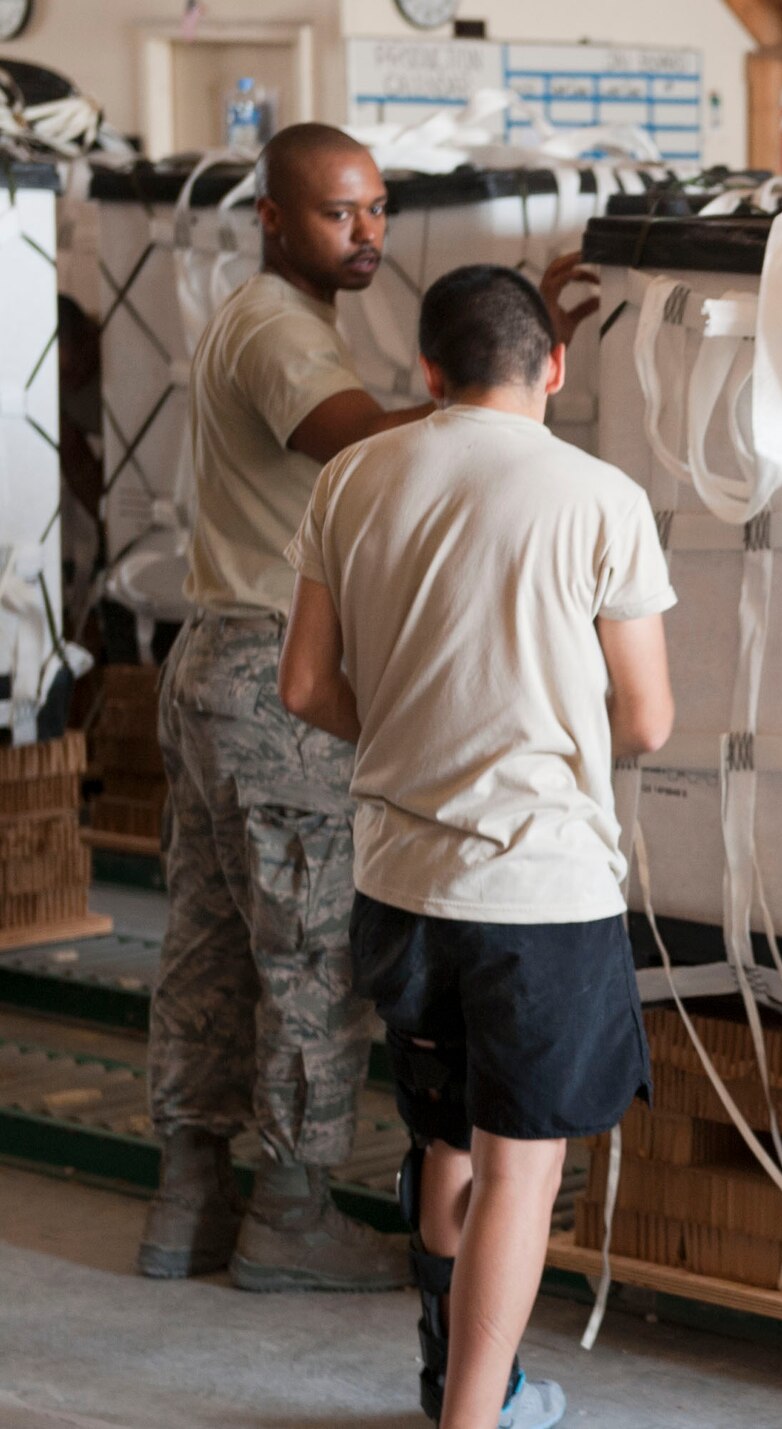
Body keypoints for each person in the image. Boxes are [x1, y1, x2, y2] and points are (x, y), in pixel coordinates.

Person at [279, 263, 673, 1428]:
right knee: (521, 1167)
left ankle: (460, 1380)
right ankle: (474, 1418)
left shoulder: (352, 478)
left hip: (396, 886)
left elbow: (306, 681)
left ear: (428, 372)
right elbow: (646, 717)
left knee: (443, 1139)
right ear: (553, 366)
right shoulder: (601, 497)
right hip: (538, 893)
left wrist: (417, 736)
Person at [141, 123, 437, 1290]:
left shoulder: (280, 321)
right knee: (308, 950)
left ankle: (187, 1205)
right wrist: (498, 391)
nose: (365, 232)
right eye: (336, 213)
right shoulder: (273, 326)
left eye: (376, 210)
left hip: (219, 666)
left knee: (209, 944)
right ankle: (292, 1213)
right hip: (276, 680)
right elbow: (356, 444)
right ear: (271, 218)